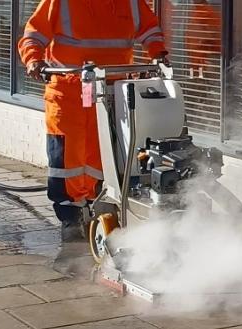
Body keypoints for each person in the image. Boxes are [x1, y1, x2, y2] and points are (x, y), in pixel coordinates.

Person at [18, 0, 168, 241]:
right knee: (67, 157)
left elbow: (149, 29)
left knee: (105, 154)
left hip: (111, 90)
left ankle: (99, 203)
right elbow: (33, 35)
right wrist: (33, 59)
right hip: (69, 92)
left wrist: (158, 53)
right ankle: (70, 215)